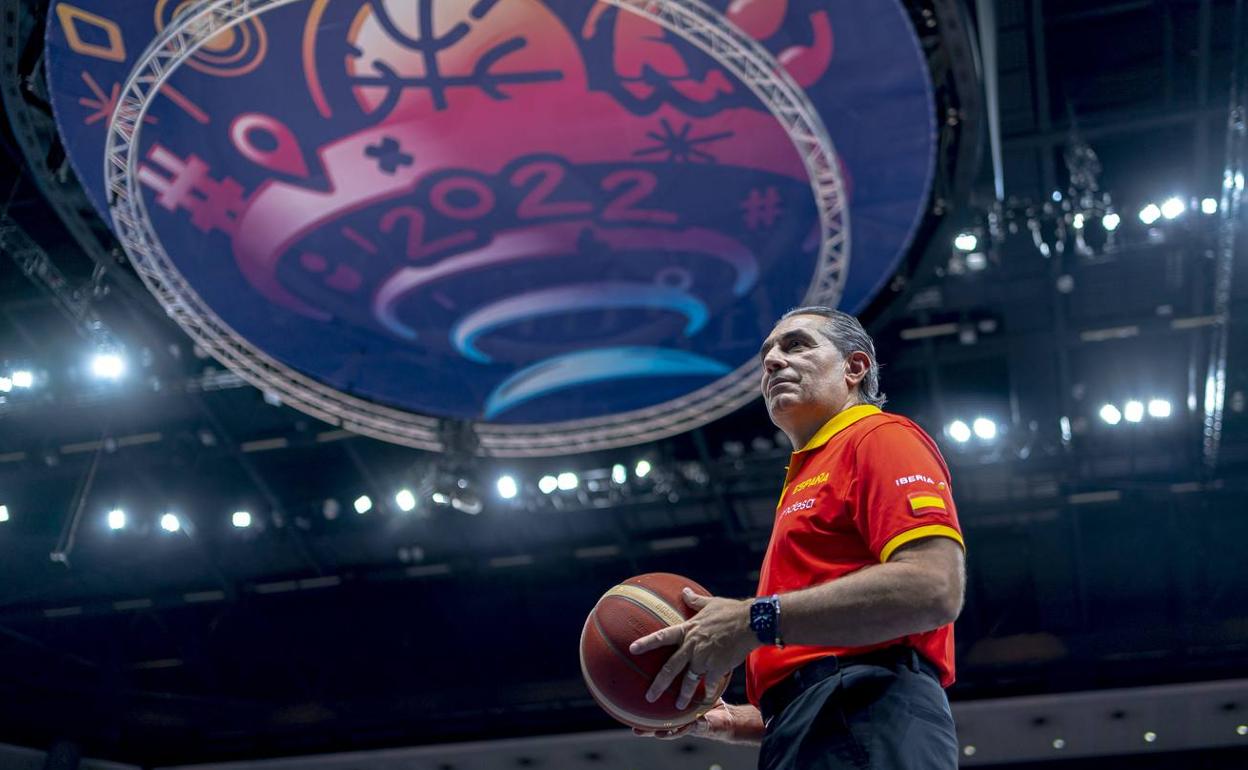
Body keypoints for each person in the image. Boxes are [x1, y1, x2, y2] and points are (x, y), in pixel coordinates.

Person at [630, 307, 966, 768]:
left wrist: (754, 619)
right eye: (766, 353)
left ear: (854, 367)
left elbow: (934, 588)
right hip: (814, 724)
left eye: (796, 345)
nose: (771, 361)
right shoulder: (808, 474)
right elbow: (819, 666)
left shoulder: (879, 437)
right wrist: (737, 720)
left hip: (871, 711)